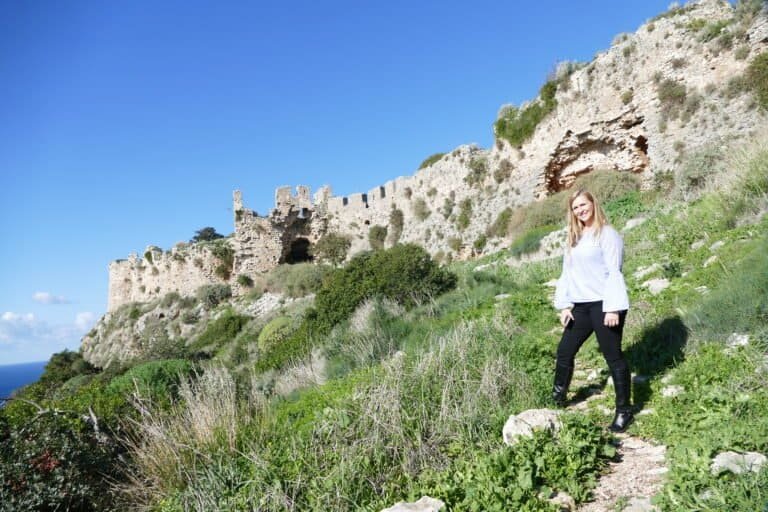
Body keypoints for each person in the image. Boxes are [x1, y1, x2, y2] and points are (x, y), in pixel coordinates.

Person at [552, 188, 633, 432]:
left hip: (604, 304)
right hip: (581, 305)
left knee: (613, 357)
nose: (580, 210)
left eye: (583, 205)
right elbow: (567, 274)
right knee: (564, 351)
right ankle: (557, 399)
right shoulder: (574, 237)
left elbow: (614, 271)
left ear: (593, 204)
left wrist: (613, 309)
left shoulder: (607, 234)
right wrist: (565, 305)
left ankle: (623, 412)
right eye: (575, 207)